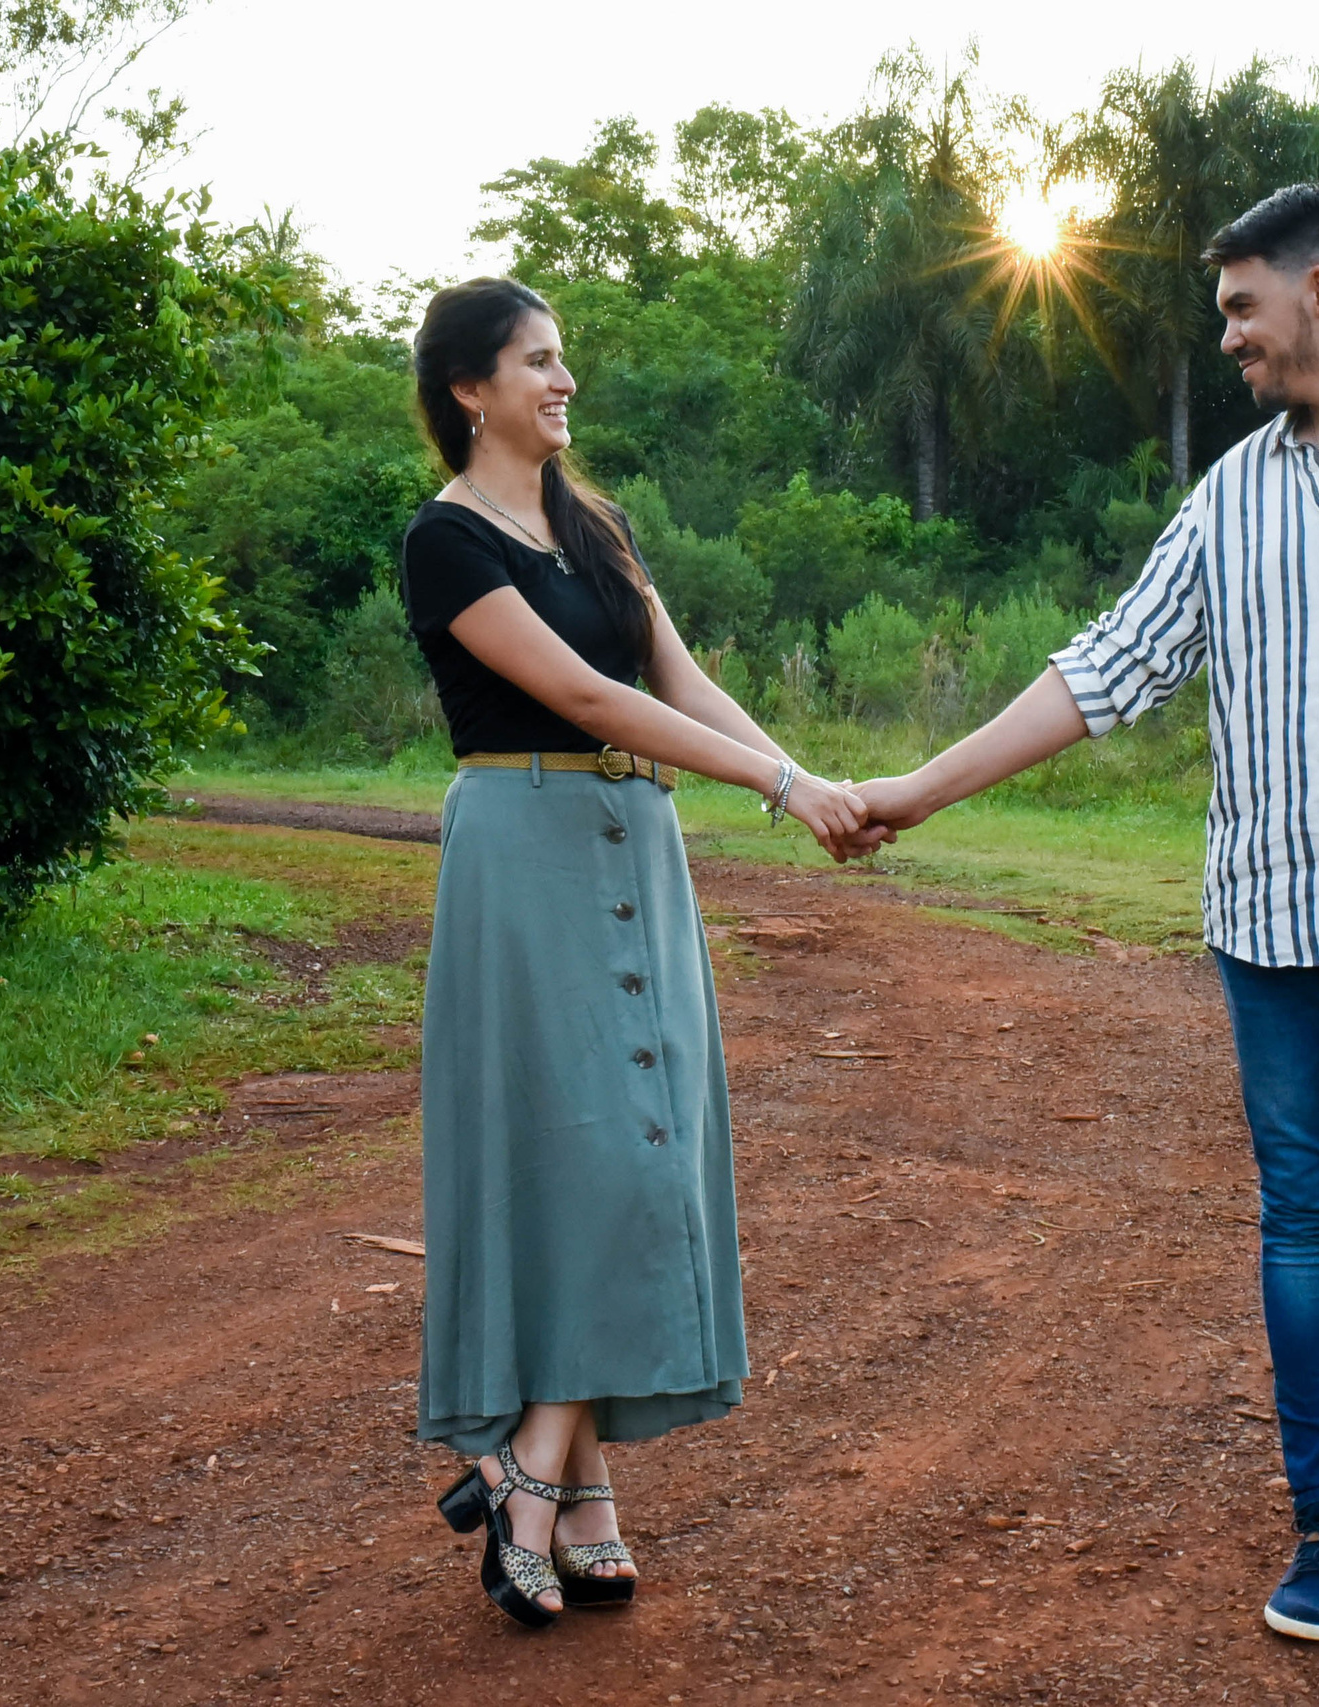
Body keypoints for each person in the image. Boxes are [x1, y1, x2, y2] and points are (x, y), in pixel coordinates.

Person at [840, 186, 1319, 1698]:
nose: (1231, 338)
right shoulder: (1232, 494)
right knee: (1306, 1226)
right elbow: (1109, 665)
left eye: (1241, 308)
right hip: (1270, 914)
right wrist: (918, 791)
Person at [402, 277, 867, 1627]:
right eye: (536, 363)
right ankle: (532, 1466)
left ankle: (574, 1488)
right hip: (523, 849)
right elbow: (583, 694)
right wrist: (775, 794)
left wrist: (811, 777)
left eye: (564, 362)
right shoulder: (445, 543)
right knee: (585, 1157)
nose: (563, 383)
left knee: (639, 1140)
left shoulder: (593, 525)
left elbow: (675, 678)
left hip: (635, 847)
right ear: (469, 390)